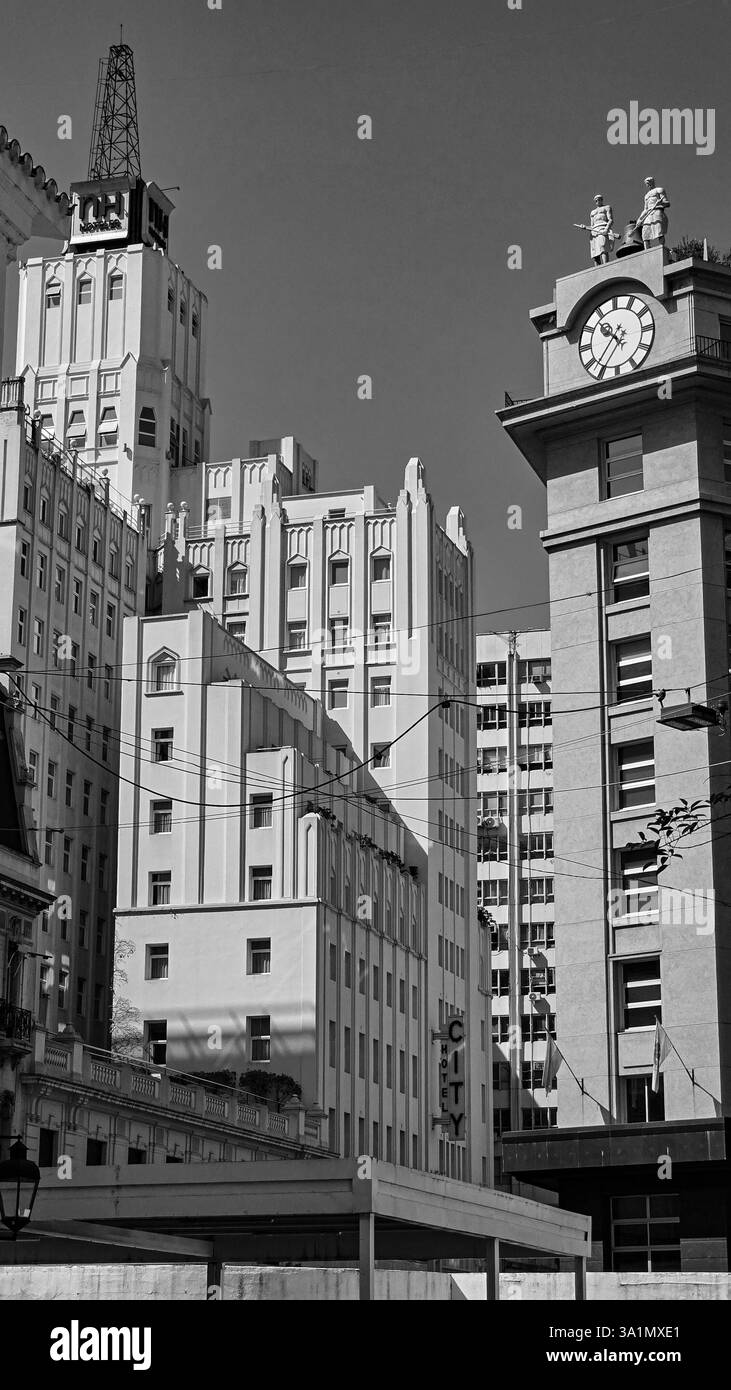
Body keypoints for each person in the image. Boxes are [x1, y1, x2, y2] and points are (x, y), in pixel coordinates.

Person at [574, 194, 615, 265]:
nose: (597, 201)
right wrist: (585, 226)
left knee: (603, 248)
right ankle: (597, 269)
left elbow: (610, 220)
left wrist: (606, 229)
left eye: (599, 199)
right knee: (595, 253)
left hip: (602, 228)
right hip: (594, 232)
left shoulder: (607, 208)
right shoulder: (592, 212)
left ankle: (605, 265)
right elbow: (592, 226)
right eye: (596, 200)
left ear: (601, 200)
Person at [636, 176, 670, 247]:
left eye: (648, 183)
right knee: (645, 234)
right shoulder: (646, 196)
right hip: (648, 215)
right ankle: (646, 251)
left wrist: (660, 203)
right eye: (646, 184)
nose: (648, 185)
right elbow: (645, 209)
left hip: (657, 212)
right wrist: (640, 219)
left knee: (659, 232)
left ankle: (661, 247)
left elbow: (667, 203)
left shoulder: (659, 190)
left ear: (652, 182)